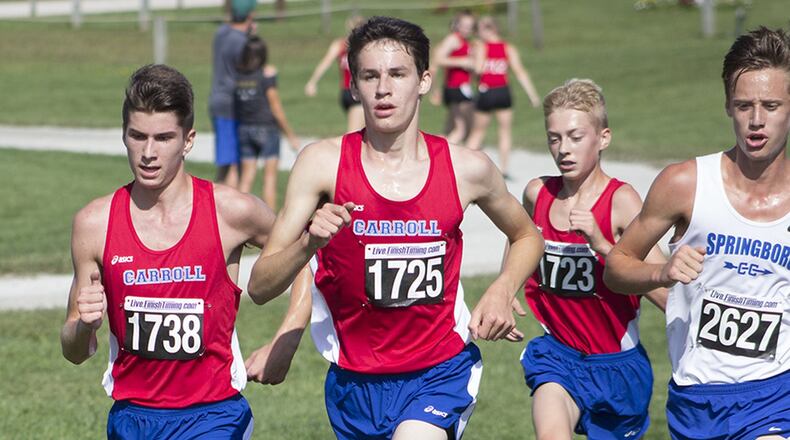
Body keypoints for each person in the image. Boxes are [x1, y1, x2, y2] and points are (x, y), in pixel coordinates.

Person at [246, 16, 544, 439]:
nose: (383, 88)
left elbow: (527, 234)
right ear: (353, 86)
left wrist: (502, 288)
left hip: (439, 372)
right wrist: (309, 244)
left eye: (397, 74)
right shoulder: (321, 164)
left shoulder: (466, 168)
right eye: (369, 76)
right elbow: (259, 286)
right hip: (355, 382)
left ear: (424, 80)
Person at [60, 64, 277, 439]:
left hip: (214, 416)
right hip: (132, 419)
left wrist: (286, 336)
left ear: (188, 140)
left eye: (163, 138)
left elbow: (304, 250)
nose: (148, 152)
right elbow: (74, 350)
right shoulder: (94, 224)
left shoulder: (231, 212)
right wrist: (84, 326)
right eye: (137, 136)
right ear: (124, 135)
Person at [604, 27, 790, 440]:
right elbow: (616, 268)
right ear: (727, 105)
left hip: (776, 394)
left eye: (771, 105)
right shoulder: (685, 183)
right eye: (744, 106)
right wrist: (661, 273)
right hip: (697, 398)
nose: (756, 120)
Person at [513, 78, 668, 440]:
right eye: (554, 138)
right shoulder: (538, 194)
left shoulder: (622, 202)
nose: (563, 149)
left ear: (603, 138)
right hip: (558, 356)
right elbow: (518, 237)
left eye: (575, 136)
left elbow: (666, 293)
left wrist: (603, 246)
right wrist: (507, 290)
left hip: (616, 365)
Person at [465, 16, 541, 179]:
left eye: (479, 29)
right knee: (505, 131)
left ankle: (463, 167)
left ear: (487, 30)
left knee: (477, 132)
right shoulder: (507, 48)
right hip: (503, 91)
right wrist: (532, 95)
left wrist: (473, 59)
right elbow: (520, 71)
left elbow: (478, 69)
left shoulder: (481, 46)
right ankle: (504, 169)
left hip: (486, 90)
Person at [235, 35, 300, 210]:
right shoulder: (266, 76)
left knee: (246, 179)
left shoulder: (239, 76)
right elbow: (276, 108)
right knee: (269, 180)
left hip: (244, 129)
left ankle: (239, 219)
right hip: (266, 129)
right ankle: (271, 226)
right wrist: (290, 135)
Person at [209, 0, 257, 188]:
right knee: (232, 165)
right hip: (232, 105)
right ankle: (224, 211)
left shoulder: (220, 33)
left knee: (225, 163)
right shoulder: (244, 43)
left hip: (216, 100)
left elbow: (229, 27)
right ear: (251, 16)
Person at [304, 15, 366, 133]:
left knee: (365, 135)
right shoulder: (363, 47)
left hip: (346, 92)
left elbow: (325, 63)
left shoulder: (340, 44)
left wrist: (312, 82)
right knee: (354, 135)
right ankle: (346, 152)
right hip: (357, 93)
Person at [430, 10, 476, 144]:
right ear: (457, 25)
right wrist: (462, 61)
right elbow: (438, 60)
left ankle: (432, 149)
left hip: (459, 87)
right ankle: (438, 156)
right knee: (462, 130)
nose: (467, 29)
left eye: (470, 26)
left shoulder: (465, 41)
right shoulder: (453, 39)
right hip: (456, 88)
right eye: (464, 25)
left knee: (450, 129)